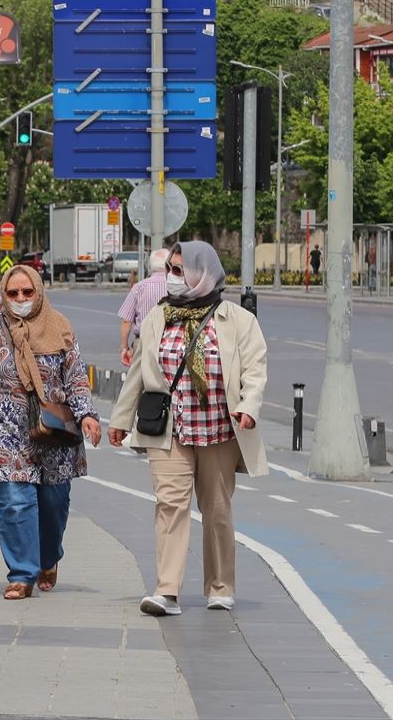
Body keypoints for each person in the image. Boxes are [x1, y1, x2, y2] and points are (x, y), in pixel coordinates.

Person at [108, 241, 268, 617]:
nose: (172, 278)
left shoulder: (237, 320)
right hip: (169, 431)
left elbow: (255, 370)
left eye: (180, 271)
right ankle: (167, 591)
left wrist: (248, 406)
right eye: (170, 270)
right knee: (170, 506)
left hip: (219, 432)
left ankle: (220, 586)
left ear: (203, 273)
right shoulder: (158, 318)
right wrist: (120, 419)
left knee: (217, 510)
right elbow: (138, 375)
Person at [0, 265, 101, 601]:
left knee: (53, 501)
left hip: (53, 428)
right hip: (3, 429)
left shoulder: (59, 327)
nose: (19, 299)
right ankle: (21, 573)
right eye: (12, 293)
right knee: (15, 503)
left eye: (27, 292)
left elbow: (74, 376)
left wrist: (87, 414)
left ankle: (48, 559)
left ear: (39, 292)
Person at [117, 249, 169, 367]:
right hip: (170, 342)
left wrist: (124, 348)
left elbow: (126, 321)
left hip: (143, 343)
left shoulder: (139, 287)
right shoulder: (176, 286)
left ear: (150, 265)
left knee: (138, 382)